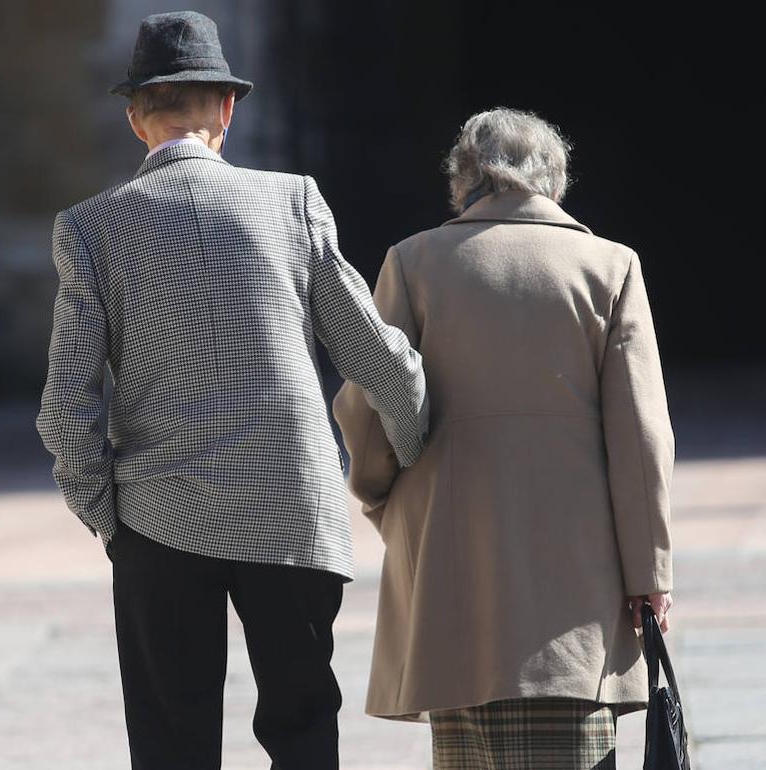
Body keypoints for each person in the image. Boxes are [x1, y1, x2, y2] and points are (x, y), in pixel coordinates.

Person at [36, 11, 428, 770]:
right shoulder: (292, 202)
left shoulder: (90, 228)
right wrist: (410, 451)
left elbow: (65, 406)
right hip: (292, 509)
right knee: (304, 726)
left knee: (172, 742)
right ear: (227, 108)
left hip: (159, 516)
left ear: (135, 120)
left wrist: (105, 515)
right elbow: (373, 355)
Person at [334, 107, 675, 769]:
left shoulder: (414, 264)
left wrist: (386, 500)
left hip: (449, 584)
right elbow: (640, 438)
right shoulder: (610, 268)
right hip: (572, 606)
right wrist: (649, 572)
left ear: (465, 180)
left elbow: (369, 407)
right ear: (553, 181)